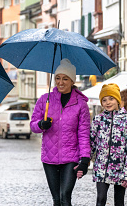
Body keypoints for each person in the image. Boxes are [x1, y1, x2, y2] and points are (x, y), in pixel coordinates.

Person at [30, 58, 91, 206]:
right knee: (56, 199)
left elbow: (83, 133)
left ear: (72, 81)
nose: (60, 82)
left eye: (65, 78)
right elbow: (32, 125)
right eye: (57, 78)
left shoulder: (81, 105)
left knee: (65, 197)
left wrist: (85, 159)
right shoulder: (45, 100)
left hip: (71, 157)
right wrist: (41, 125)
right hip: (49, 158)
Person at [90, 83, 127, 206]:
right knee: (100, 199)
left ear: (117, 100)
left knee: (119, 201)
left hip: (121, 169)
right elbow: (91, 144)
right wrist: (81, 162)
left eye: (111, 98)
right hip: (101, 168)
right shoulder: (98, 120)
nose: (108, 102)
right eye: (104, 100)